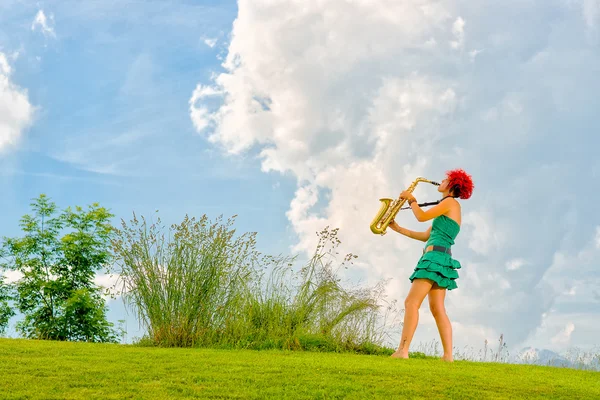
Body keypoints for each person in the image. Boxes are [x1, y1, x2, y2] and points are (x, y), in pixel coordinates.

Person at [388, 169, 474, 362]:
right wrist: (398, 228)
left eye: (445, 179)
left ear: (452, 184)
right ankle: (448, 357)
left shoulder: (449, 202)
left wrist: (411, 199)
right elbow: (426, 236)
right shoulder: (448, 207)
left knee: (411, 303)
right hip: (441, 257)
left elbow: (421, 216)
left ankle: (402, 351)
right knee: (437, 309)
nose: (441, 181)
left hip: (434, 258)